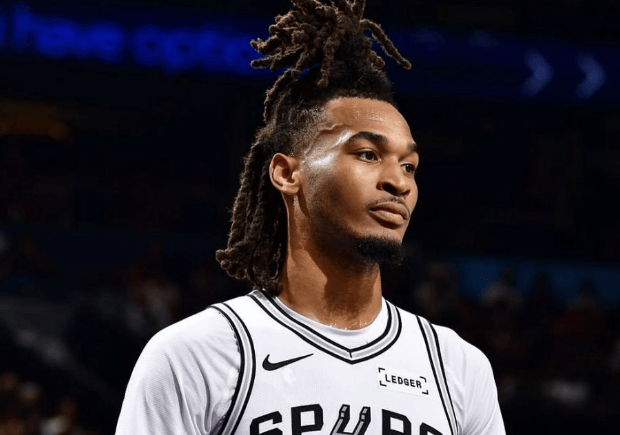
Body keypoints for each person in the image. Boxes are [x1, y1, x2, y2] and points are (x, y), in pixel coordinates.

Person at [115, 1, 505, 434]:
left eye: (409, 165)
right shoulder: (196, 356)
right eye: (367, 154)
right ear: (287, 174)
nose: (399, 182)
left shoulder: (458, 368)